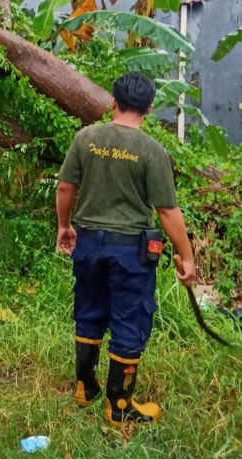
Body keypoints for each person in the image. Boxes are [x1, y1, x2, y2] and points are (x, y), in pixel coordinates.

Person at [55, 72, 197, 426]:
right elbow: (166, 210)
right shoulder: (151, 150)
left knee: (89, 310)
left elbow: (64, 188)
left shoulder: (86, 138)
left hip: (88, 243)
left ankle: (85, 388)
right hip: (129, 251)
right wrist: (187, 254)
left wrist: (64, 226)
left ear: (113, 102)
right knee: (129, 320)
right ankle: (119, 407)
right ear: (149, 108)